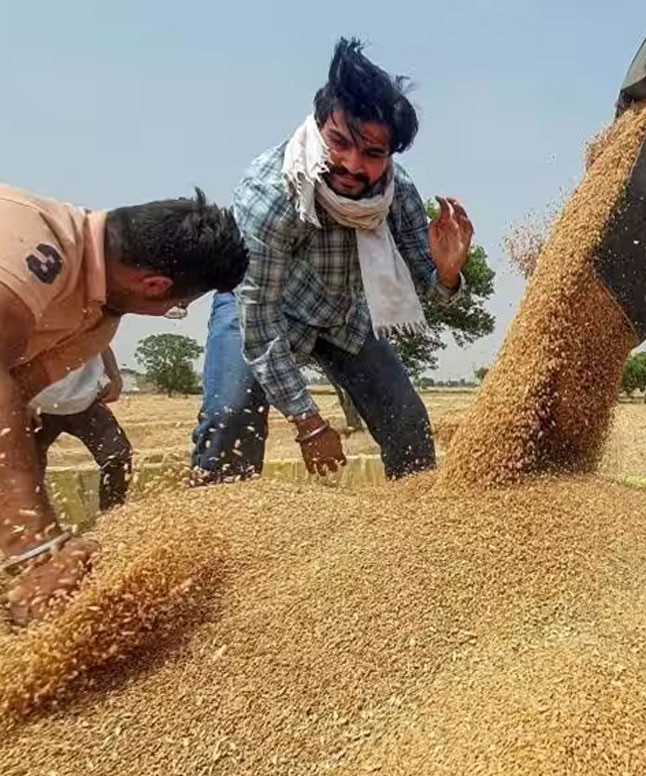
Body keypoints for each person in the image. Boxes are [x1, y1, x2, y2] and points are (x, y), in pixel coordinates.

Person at [190, 37, 475, 485]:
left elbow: (433, 292)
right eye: (339, 142)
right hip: (264, 309)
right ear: (319, 124)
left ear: (392, 155)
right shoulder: (272, 194)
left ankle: (422, 535)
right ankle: (211, 536)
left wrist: (448, 270)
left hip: (341, 317)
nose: (352, 164)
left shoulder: (396, 194)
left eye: (373, 154)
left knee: (408, 423)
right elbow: (260, 326)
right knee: (229, 420)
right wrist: (309, 422)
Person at [1, 183, 248, 628]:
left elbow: (17, 394)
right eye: (179, 306)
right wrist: (36, 548)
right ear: (154, 285)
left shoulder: (97, 322)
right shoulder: (33, 243)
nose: (175, 311)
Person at [28, 347, 133, 513]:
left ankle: (112, 518)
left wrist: (115, 377)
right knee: (25, 468)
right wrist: (19, 398)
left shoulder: (92, 320)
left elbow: (102, 341)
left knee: (118, 456)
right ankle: (30, 528)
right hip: (37, 404)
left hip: (86, 399)